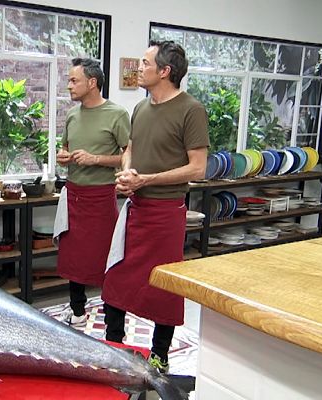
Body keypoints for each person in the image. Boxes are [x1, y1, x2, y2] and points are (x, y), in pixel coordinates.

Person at [102, 40, 209, 373]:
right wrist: (128, 170)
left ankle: (159, 355)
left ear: (165, 71)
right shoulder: (140, 108)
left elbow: (198, 168)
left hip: (166, 215)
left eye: (145, 63)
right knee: (115, 280)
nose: (139, 68)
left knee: (164, 286)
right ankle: (114, 348)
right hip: (135, 210)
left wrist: (145, 180)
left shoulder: (192, 110)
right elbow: (130, 148)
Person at [54, 58, 130, 327]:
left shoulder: (117, 114)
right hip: (74, 196)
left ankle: (113, 319)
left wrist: (96, 159)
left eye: (74, 80)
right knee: (73, 259)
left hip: (101, 198)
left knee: (105, 259)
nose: (69, 85)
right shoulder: (73, 115)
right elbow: (64, 148)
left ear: (92, 82)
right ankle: (77, 312)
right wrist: (63, 156)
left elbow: (129, 156)